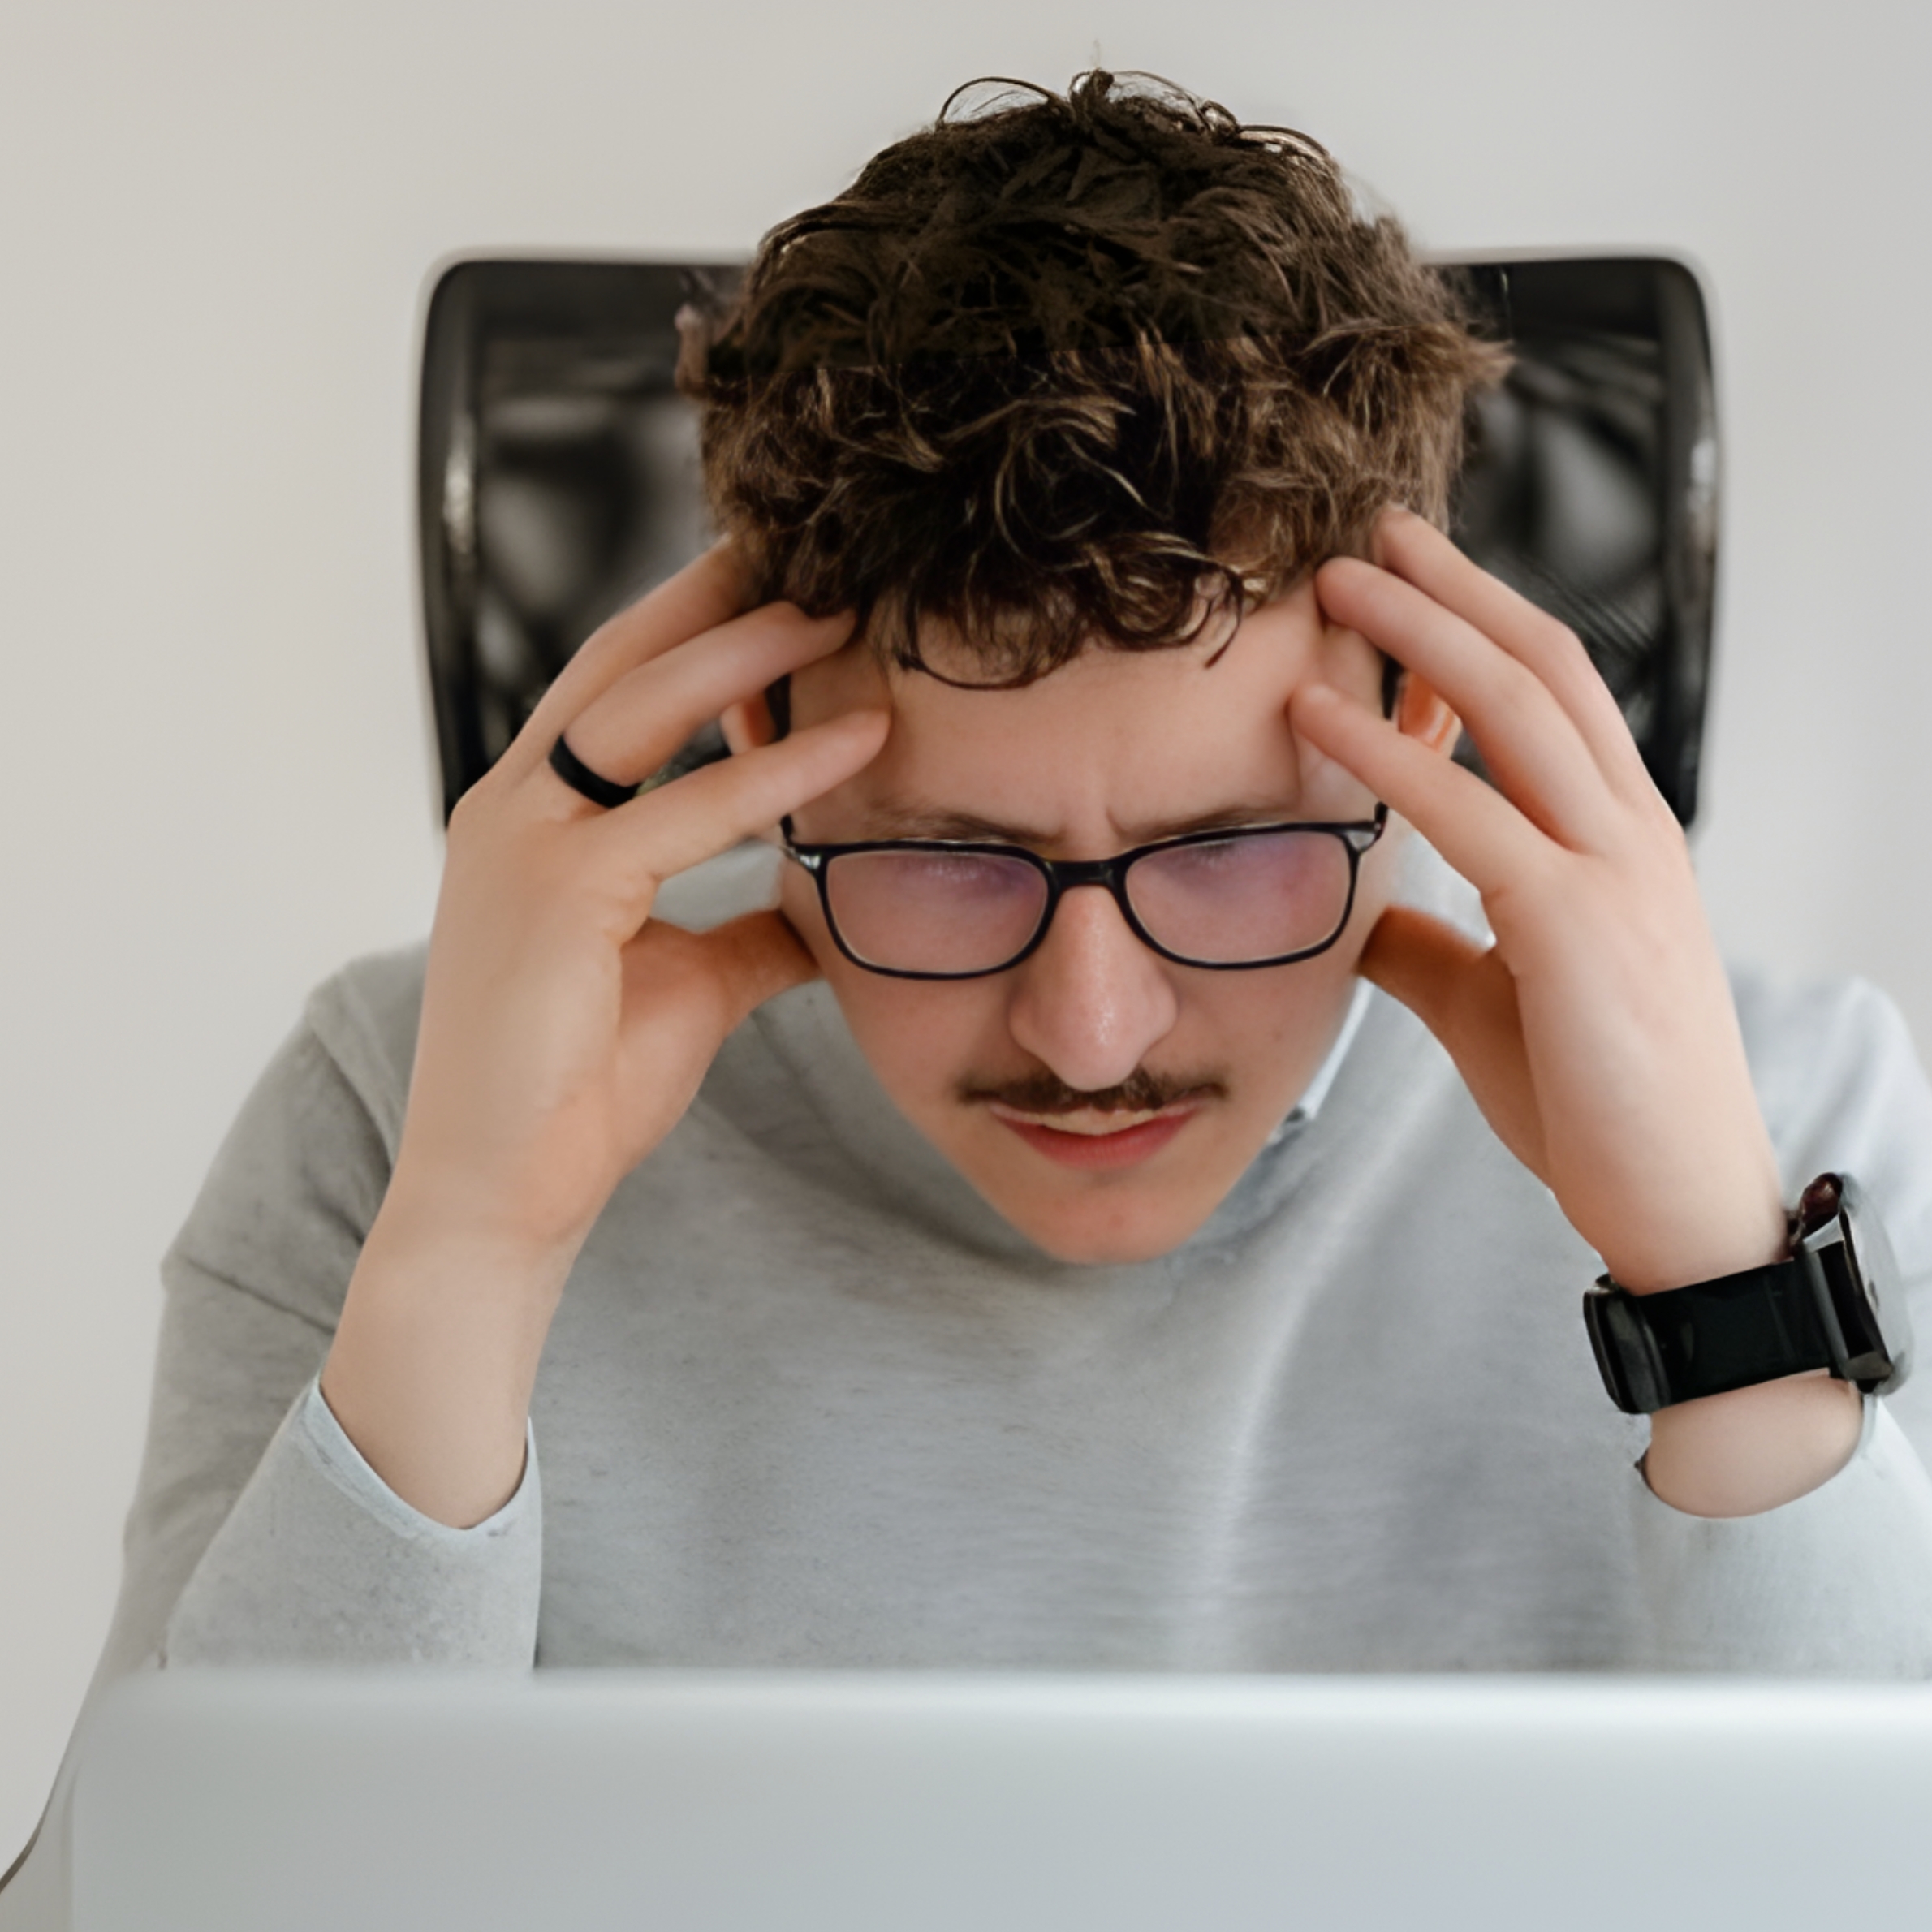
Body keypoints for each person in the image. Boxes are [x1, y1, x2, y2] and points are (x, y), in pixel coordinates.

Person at [8, 64, 1932, 1917]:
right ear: (758, 729)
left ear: (1415, 724)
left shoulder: (1793, 1121)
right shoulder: (393, 1111)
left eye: (1226, 847)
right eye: (944, 857)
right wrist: (466, 1259)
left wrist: (1724, 1297)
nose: (1089, 1032)